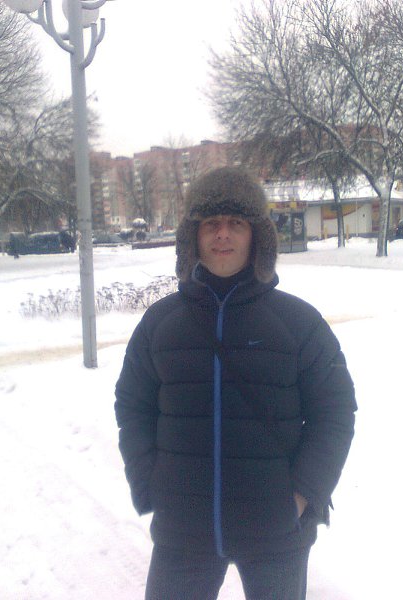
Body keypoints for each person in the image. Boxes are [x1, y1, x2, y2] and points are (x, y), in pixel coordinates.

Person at [115, 167, 357, 600]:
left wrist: (303, 496)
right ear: (193, 236)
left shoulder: (298, 322)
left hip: (277, 530)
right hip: (183, 529)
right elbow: (132, 405)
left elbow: (335, 411)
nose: (222, 234)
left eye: (236, 223)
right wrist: (149, 483)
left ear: (256, 236)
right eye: (211, 223)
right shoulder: (160, 323)